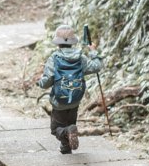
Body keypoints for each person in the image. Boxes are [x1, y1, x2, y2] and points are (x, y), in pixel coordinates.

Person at [37, 25, 102, 154]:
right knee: (70, 123)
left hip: (59, 101)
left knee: (56, 129)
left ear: (58, 43)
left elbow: (47, 81)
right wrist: (93, 52)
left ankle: (67, 132)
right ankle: (66, 148)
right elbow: (96, 67)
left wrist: (39, 82)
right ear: (73, 42)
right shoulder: (80, 57)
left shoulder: (54, 58)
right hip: (75, 99)